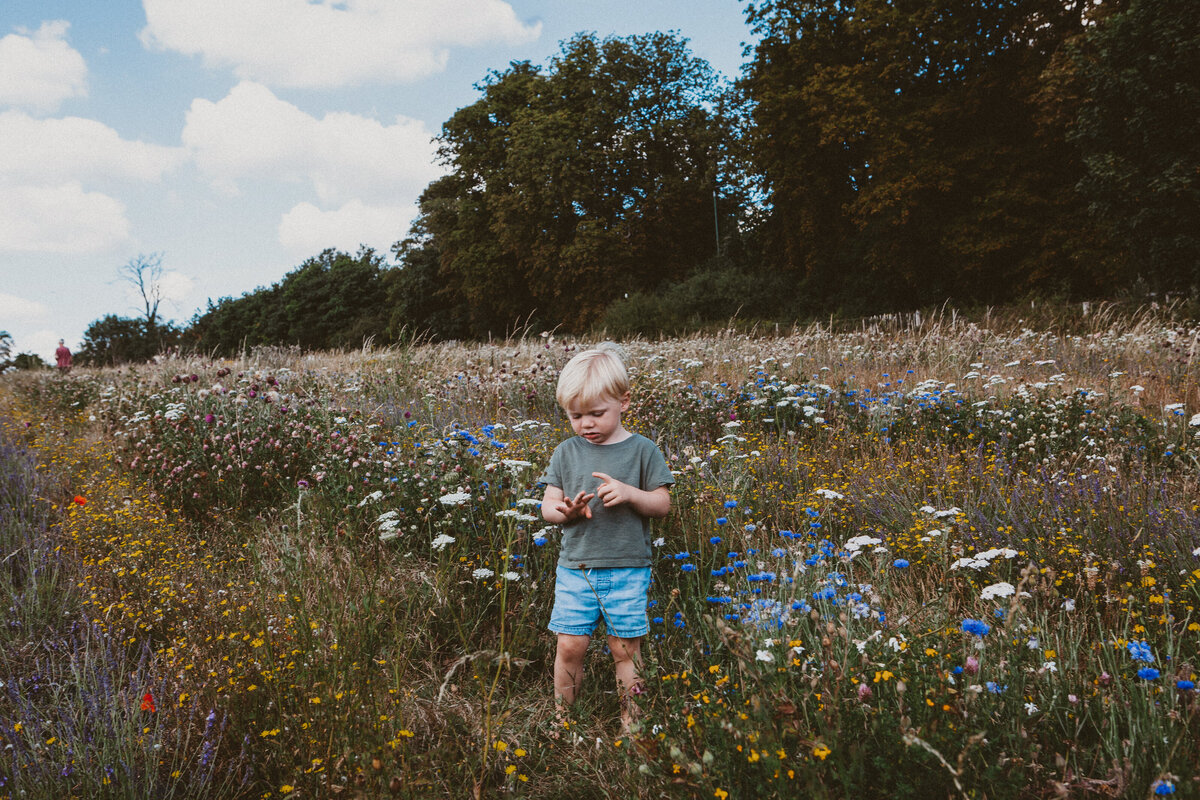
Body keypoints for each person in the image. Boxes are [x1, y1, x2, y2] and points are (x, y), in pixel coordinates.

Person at [539, 344, 674, 733]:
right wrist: (565, 511)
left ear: (624, 401)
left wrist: (631, 494)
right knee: (570, 646)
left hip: (628, 568)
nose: (586, 424)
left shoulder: (643, 450)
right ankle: (563, 719)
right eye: (575, 415)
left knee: (625, 649)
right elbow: (547, 506)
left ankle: (633, 723)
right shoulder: (566, 452)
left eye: (596, 413)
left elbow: (662, 503)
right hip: (576, 569)